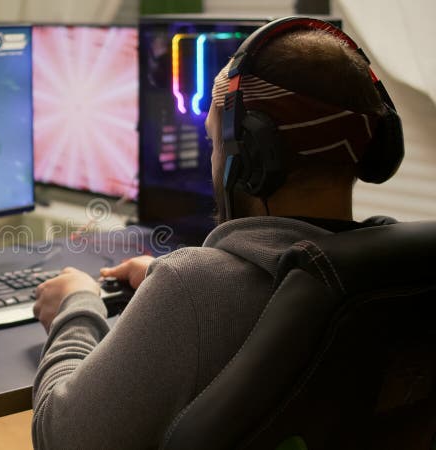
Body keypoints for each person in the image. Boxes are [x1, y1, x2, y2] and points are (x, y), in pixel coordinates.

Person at [30, 21, 400, 449]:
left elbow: (60, 438)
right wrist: (162, 285)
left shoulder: (193, 288)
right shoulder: (399, 273)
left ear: (249, 157)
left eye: (213, 140)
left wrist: (75, 308)